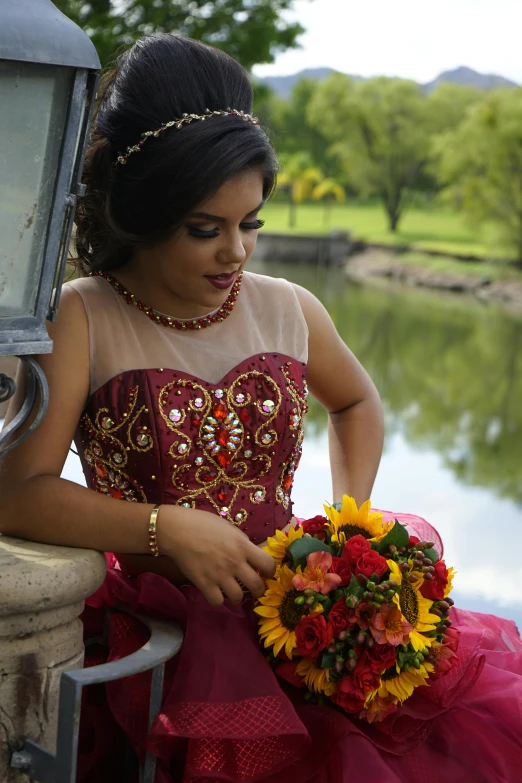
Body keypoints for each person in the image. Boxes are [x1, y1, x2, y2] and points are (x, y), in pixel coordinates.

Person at [1, 33, 520, 783]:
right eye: (205, 230)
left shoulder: (289, 308)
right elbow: (18, 495)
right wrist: (165, 528)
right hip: (162, 640)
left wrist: (347, 527)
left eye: (251, 224)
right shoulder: (82, 319)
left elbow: (358, 400)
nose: (236, 253)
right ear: (140, 216)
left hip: (290, 617)